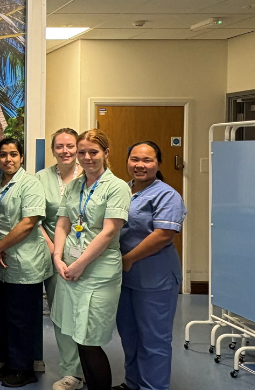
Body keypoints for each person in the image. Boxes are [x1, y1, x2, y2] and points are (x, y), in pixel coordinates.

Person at [52, 129, 131, 390]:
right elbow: (63, 222)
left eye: (93, 152)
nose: (87, 157)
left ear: (106, 153)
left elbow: (109, 231)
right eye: (82, 152)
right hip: (71, 269)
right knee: (77, 335)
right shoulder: (75, 185)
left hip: (98, 272)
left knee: (89, 339)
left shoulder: (117, 186)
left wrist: (80, 264)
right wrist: (57, 256)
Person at [113, 141, 185, 390]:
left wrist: (129, 259)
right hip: (125, 277)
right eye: (134, 159)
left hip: (156, 278)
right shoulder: (123, 189)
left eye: (147, 160)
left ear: (158, 163)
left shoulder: (167, 195)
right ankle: (133, 383)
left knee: (154, 339)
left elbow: (164, 234)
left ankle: (153, 387)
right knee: (130, 335)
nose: (139, 165)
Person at [0, 138, 52, 387]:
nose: (8, 159)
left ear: (22, 157)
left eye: (13, 154)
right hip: (0, 264)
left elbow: (28, 223)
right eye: (3, 155)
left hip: (25, 264)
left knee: (22, 319)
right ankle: (9, 364)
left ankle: (24, 369)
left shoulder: (30, 184)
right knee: (3, 317)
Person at [35, 128, 84, 390]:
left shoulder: (89, 176)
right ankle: (71, 372)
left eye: (70, 146)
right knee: (62, 315)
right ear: (53, 150)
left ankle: (90, 364)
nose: (65, 151)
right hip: (55, 258)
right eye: (60, 146)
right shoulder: (41, 178)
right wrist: (56, 252)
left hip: (87, 256)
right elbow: (36, 220)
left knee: (85, 314)